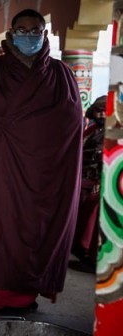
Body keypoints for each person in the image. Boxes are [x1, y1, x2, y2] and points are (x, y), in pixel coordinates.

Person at [0, 9, 83, 317]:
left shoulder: (60, 73)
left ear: (45, 34)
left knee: (39, 230)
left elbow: (71, 123)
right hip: (0, 168)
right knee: (1, 229)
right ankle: (5, 296)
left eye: (35, 30)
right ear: (11, 34)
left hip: (45, 173)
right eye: (22, 30)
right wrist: (13, 134)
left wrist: (33, 136)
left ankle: (28, 294)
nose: (29, 36)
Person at [70, 96, 106, 273]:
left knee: (94, 204)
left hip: (97, 179)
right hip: (82, 177)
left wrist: (101, 181)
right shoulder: (91, 129)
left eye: (105, 110)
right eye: (99, 110)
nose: (102, 113)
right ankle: (74, 245)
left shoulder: (112, 133)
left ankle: (89, 255)